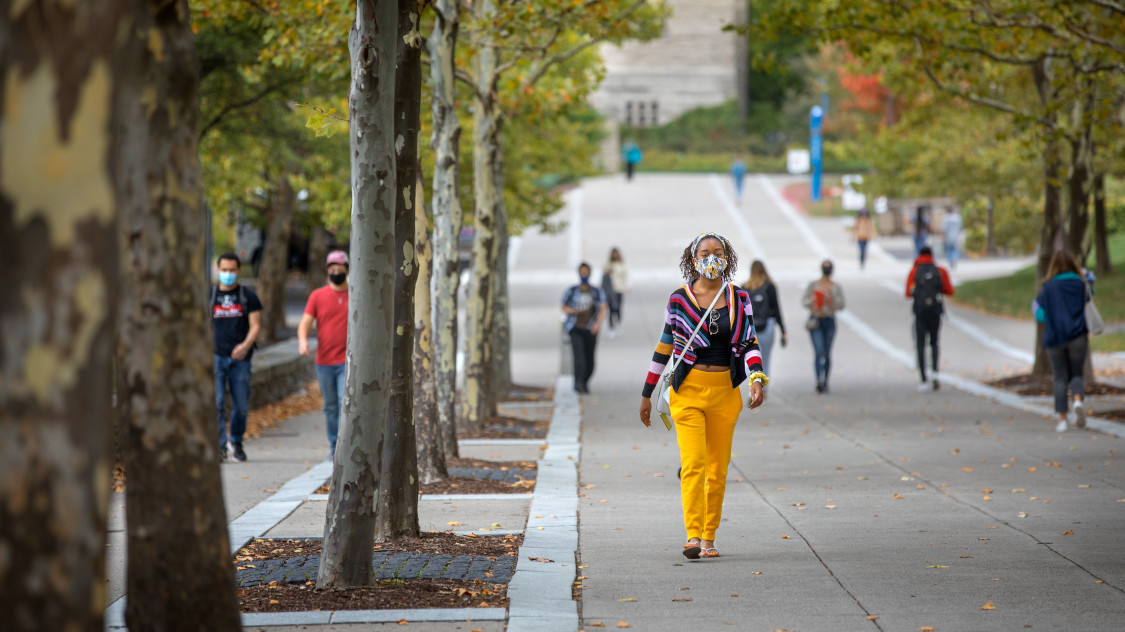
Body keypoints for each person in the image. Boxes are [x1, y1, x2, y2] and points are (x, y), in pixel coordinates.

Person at [638, 233, 766, 560]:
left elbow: (749, 342)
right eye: (705, 252)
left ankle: (710, 537)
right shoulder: (679, 299)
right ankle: (692, 536)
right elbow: (665, 346)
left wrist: (756, 377)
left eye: (718, 252)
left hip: (725, 392)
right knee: (693, 464)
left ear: (728, 257)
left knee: (717, 469)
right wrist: (647, 393)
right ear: (694, 259)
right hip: (688, 393)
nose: (712, 257)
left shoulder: (739, 298)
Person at [298, 250, 350, 458]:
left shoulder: (356, 293)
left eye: (340, 270)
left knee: (342, 402)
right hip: (325, 361)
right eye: (332, 270)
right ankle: (333, 446)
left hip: (347, 360)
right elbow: (305, 322)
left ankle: (345, 446)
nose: (336, 273)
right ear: (327, 272)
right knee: (330, 406)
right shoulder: (318, 296)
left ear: (347, 270)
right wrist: (303, 341)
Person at [211, 253, 262, 462]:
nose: (228, 274)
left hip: (241, 359)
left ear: (239, 271)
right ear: (218, 270)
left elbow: (256, 325)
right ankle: (220, 445)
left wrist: (245, 345)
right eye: (224, 270)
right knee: (217, 402)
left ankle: (236, 441)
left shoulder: (248, 296)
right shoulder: (210, 295)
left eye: (232, 270)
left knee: (241, 404)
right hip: (215, 356)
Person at [1035, 250, 1091, 433]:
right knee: (1076, 374)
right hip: (1078, 336)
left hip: (1055, 337)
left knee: (1059, 377)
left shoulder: (1048, 287)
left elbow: (1040, 315)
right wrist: (1086, 275)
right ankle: (1077, 400)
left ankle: (1063, 419)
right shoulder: (1080, 284)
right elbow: (1091, 295)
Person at [905, 246, 954, 392]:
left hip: (920, 312)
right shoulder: (940, 271)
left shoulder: (914, 272)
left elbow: (908, 292)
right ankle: (935, 373)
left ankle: (923, 378)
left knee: (920, 343)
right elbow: (949, 290)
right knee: (934, 342)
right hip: (935, 311)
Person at [561, 263, 608, 394]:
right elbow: (563, 306)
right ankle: (578, 383)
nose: (584, 275)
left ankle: (585, 381)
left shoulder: (596, 291)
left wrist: (597, 323)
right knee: (578, 357)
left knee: (590, 359)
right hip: (575, 328)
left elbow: (603, 308)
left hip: (590, 328)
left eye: (586, 272)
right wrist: (572, 311)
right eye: (582, 272)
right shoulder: (572, 290)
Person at [802, 260, 845, 394]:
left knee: (827, 352)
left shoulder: (836, 287)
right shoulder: (813, 285)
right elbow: (804, 301)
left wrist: (831, 300)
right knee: (819, 351)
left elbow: (841, 304)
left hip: (829, 319)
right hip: (816, 319)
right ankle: (818, 380)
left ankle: (825, 379)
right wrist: (813, 301)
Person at [742, 260, 787, 384]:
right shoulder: (770, 287)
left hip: (750, 328)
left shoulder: (745, 287)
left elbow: (740, 312)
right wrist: (783, 331)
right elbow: (776, 309)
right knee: (765, 359)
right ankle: (763, 389)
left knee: (751, 358)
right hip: (767, 325)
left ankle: (752, 386)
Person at [602, 247, 630, 338]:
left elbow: (626, 276)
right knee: (611, 309)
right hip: (610, 291)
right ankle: (611, 328)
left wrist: (628, 286)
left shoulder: (622, 265)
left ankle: (618, 324)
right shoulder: (608, 264)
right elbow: (604, 275)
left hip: (619, 290)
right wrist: (608, 271)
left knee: (618, 309)